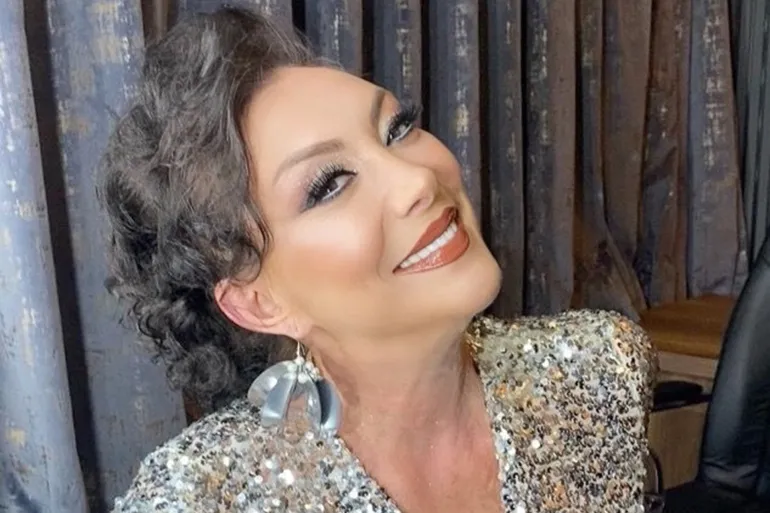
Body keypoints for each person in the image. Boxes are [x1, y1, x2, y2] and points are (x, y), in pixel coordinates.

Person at [102, 7, 654, 513]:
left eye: (398, 128)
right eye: (329, 184)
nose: (417, 179)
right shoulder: (197, 499)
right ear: (258, 303)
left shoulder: (597, 371)